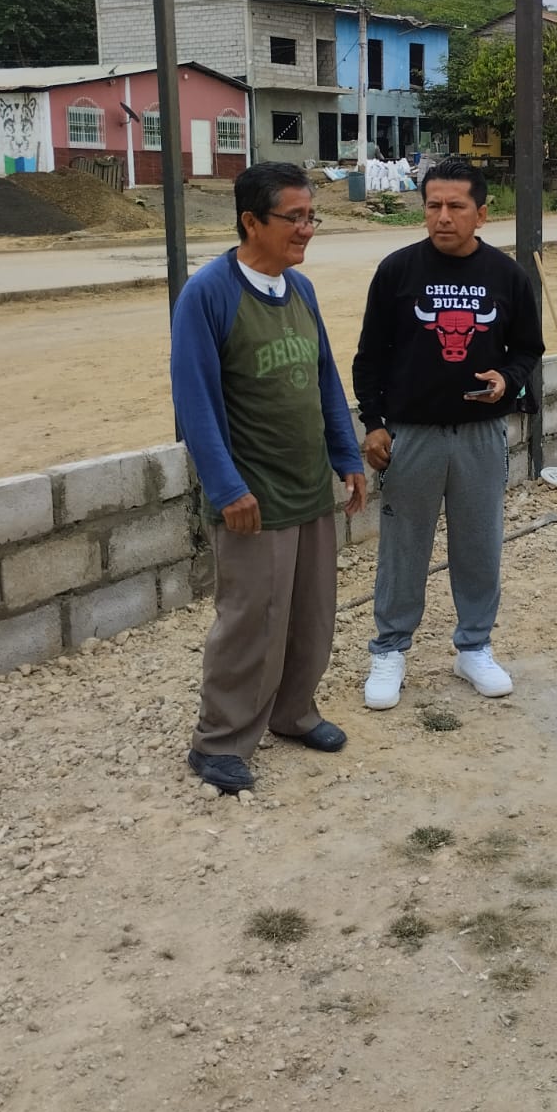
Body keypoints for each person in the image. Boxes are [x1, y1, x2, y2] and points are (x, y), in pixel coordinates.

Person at [170, 161, 367, 794]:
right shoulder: (209, 294)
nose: (307, 228)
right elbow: (195, 403)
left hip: (308, 486)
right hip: (254, 497)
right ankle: (219, 742)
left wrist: (347, 455)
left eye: (312, 216)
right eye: (295, 217)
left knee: (312, 614)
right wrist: (226, 487)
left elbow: (325, 379)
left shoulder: (300, 290)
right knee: (252, 620)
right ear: (251, 221)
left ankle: (293, 712)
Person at [352, 156, 544, 710]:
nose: (442, 216)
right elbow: (369, 356)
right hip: (411, 435)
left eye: (456, 206)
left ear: (481, 213)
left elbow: (527, 349)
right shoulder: (397, 271)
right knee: (403, 547)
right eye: (433, 205)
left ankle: (474, 647)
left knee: (479, 544)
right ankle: (390, 650)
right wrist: (374, 423)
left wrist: (506, 380)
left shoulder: (507, 276)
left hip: (481, 434)